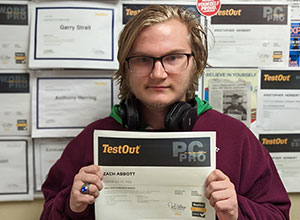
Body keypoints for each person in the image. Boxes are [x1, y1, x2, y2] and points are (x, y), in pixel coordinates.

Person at [40, 5, 290, 220]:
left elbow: (278, 214)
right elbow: (48, 213)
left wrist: (237, 209)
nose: (158, 74)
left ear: (196, 62)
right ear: (125, 68)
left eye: (173, 58)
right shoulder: (93, 139)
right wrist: (72, 205)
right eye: (142, 59)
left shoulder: (235, 137)